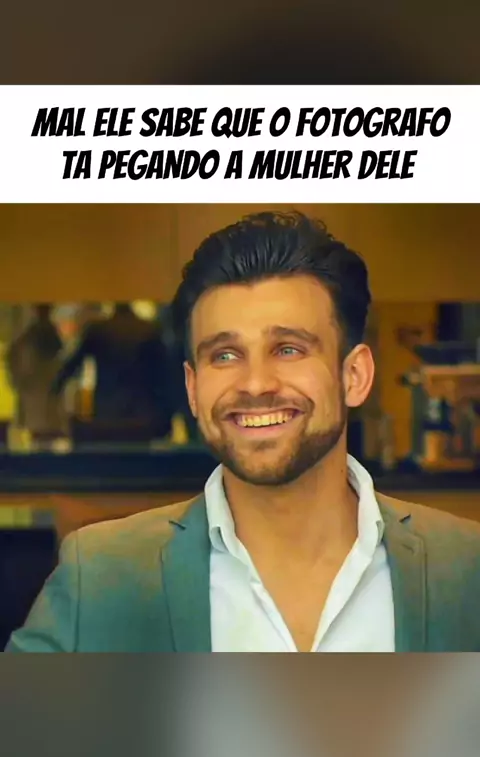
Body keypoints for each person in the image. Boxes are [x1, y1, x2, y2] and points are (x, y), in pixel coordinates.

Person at [6, 211, 480, 652]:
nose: (255, 384)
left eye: (289, 349)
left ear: (353, 375)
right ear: (193, 388)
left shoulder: (464, 570)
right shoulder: (100, 578)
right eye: (225, 355)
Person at [51, 302, 171, 434]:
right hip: (141, 413)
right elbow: (164, 375)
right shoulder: (149, 330)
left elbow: (72, 365)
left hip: (107, 411)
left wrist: (55, 388)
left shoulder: (99, 330)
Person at [6, 304, 66, 436]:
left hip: (37, 395)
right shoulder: (34, 337)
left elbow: (12, 360)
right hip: (41, 395)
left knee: (39, 427)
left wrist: (18, 381)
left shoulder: (26, 339)